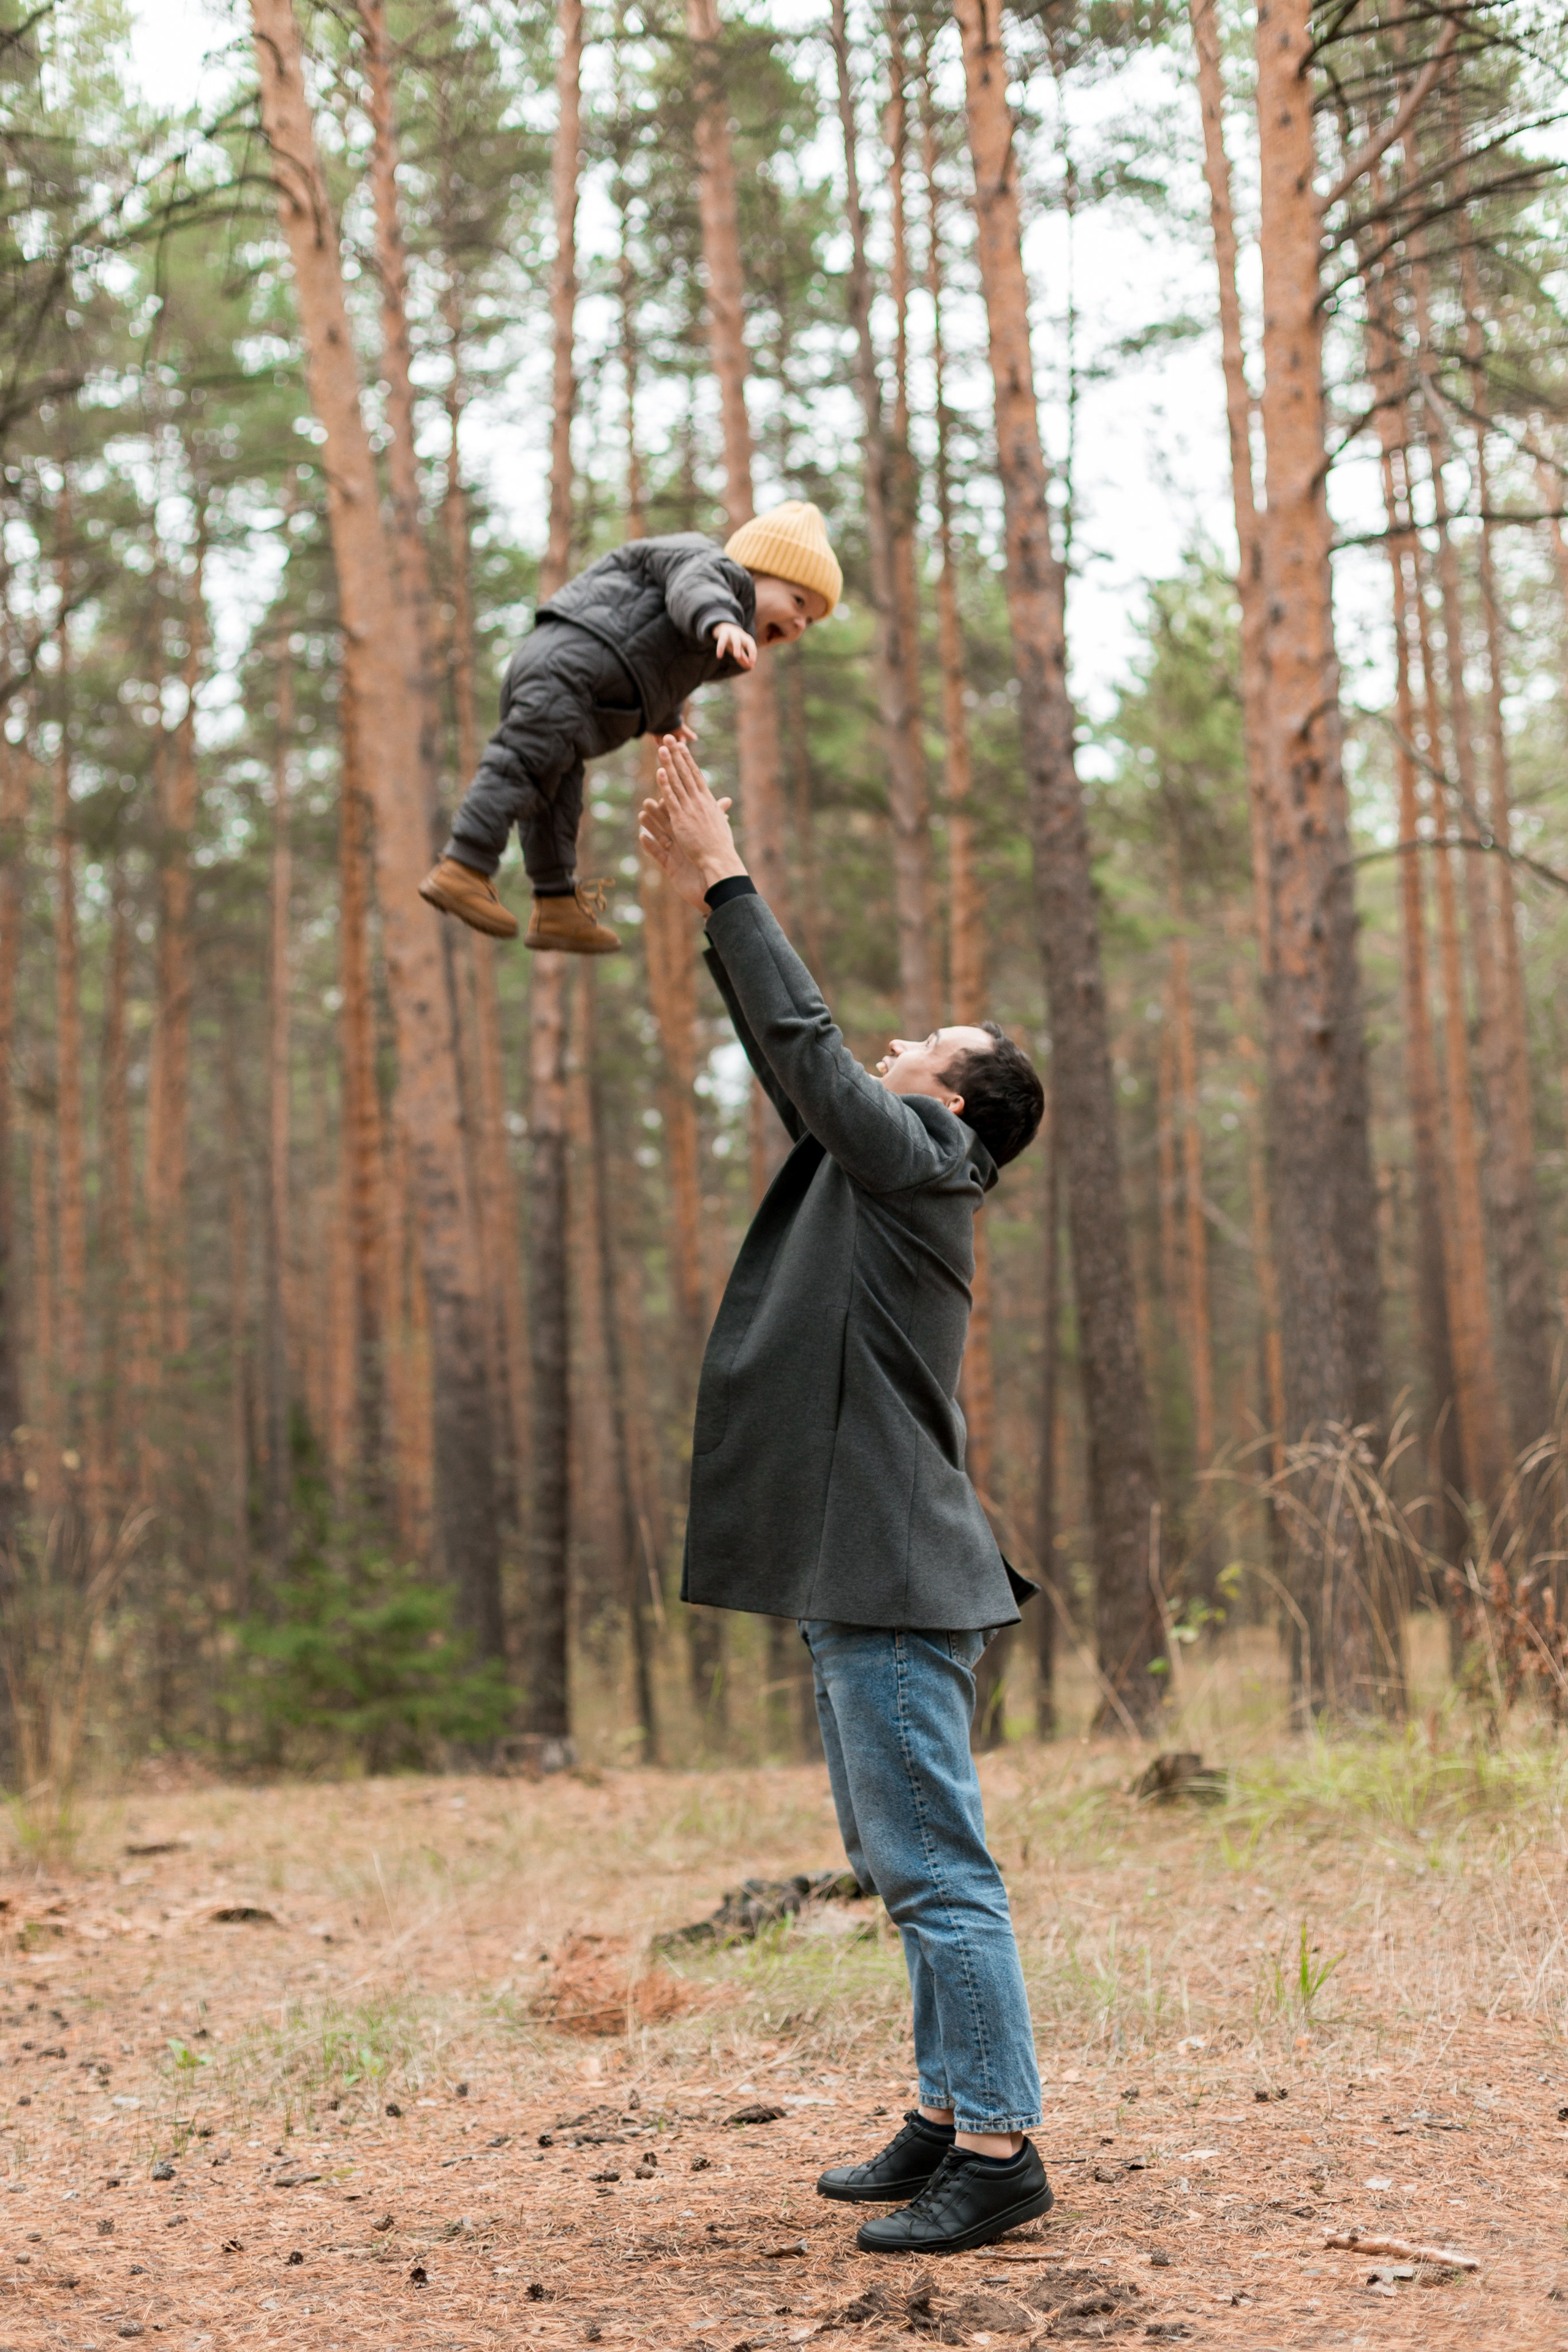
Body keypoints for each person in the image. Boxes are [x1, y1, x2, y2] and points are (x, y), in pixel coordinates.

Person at [638, 739, 1052, 2258]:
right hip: (865, 1574)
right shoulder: (880, 1167)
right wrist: (708, 904)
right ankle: (949, 2108)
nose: (899, 1042)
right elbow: (793, 1057)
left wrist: (727, 869)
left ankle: (1000, 2146)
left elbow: (810, 1048)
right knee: (902, 1865)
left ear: (958, 1103)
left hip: (890, 1579)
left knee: (937, 1869)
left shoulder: (929, 1161)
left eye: (928, 1037)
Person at [418, 502, 840, 954]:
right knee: (523, 763)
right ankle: (464, 863)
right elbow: (690, 592)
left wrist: (667, 721)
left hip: (590, 686)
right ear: (755, 572)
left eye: (810, 621)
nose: (799, 623)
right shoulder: (710, 567)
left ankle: (556, 902)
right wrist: (718, 618)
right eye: (798, 603)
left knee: (556, 790)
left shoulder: (716, 648)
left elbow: (663, 663)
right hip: (569, 664)